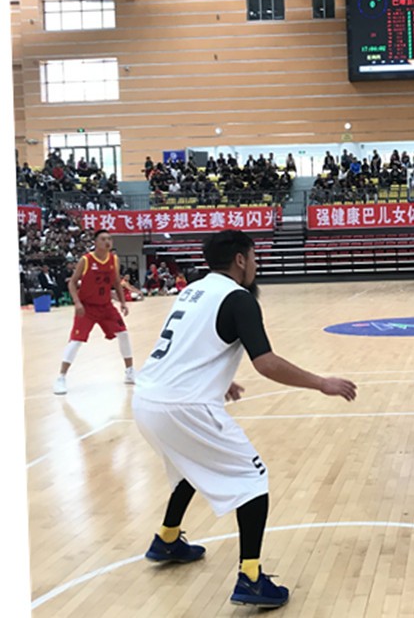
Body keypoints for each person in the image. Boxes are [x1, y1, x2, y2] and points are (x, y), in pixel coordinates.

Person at [133, 229, 357, 609]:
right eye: (254, 258)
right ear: (240, 260)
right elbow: (266, 363)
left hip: (147, 399)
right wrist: (321, 383)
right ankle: (251, 578)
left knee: (190, 465)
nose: (256, 265)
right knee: (252, 480)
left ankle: (168, 538)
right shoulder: (239, 298)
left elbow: (185, 348)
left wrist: (217, 379)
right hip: (184, 406)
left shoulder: (192, 290)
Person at [53, 229, 133, 395]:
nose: (107, 242)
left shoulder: (114, 259)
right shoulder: (86, 260)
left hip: (106, 306)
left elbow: (116, 282)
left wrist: (123, 302)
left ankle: (130, 372)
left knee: (124, 334)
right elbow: (72, 283)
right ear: (95, 242)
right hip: (87, 308)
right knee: (76, 341)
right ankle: (61, 377)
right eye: (103, 239)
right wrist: (77, 302)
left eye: (109, 239)